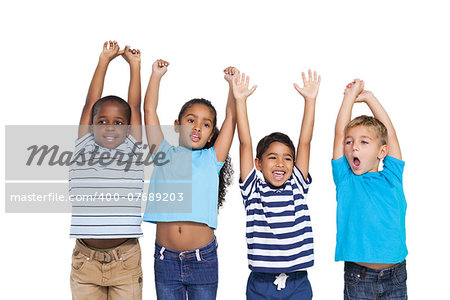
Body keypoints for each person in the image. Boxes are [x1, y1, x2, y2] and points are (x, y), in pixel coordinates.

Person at [143, 60, 236, 299]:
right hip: (165, 259)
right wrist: (156, 76)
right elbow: (149, 111)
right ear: (176, 125)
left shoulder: (212, 157)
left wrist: (232, 87)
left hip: (203, 259)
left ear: (211, 135)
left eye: (206, 125)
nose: (197, 127)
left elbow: (231, 118)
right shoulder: (162, 153)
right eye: (191, 120)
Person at [235, 70, 320, 300]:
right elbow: (245, 143)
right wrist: (240, 101)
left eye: (287, 158)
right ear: (258, 164)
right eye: (272, 157)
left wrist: (310, 101)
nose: (280, 163)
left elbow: (305, 141)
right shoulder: (253, 190)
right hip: (261, 283)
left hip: (297, 281)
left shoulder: (297, 186)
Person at [69, 41, 144, 300]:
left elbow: (135, 107)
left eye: (118, 122)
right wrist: (104, 60)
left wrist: (135, 67)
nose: (110, 127)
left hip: (126, 259)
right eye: (102, 121)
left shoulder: (132, 150)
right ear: (92, 125)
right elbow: (91, 102)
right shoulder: (83, 147)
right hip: (85, 261)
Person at [332, 79, 408, 299]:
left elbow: (390, 135)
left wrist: (370, 98)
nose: (354, 146)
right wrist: (349, 98)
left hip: (396, 276)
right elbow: (339, 133)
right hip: (359, 278)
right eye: (350, 142)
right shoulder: (346, 179)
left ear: (382, 151)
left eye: (364, 142)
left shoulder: (392, 177)